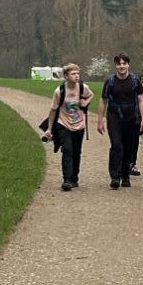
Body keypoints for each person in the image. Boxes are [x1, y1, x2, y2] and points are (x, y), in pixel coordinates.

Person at [96, 52, 143, 189]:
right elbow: (103, 100)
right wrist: (100, 120)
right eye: (119, 64)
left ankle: (125, 175)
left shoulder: (135, 81)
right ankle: (115, 176)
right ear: (115, 65)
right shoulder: (110, 82)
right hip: (114, 117)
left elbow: (141, 100)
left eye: (124, 63)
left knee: (128, 147)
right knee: (117, 145)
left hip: (131, 118)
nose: (122, 66)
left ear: (128, 65)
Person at [42, 63, 92, 191]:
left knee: (76, 151)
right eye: (73, 74)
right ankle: (67, 180)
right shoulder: (59, 91)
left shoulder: (83, 87)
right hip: (63, 124)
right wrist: (49, 129)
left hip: (79, 125)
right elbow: (53, 110)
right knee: (67, 150)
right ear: (66, 76)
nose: (76, 76)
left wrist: (85, 102)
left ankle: (74, 178)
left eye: (78, 73)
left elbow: (90, 95)